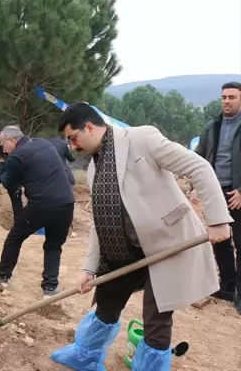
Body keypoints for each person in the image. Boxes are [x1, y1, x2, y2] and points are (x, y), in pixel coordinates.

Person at [50, 102, 231, 371]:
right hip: (122, 251)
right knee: (106, 303)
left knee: (156, 319)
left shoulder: (141, 138)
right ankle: (86, 355)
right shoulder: (92, 170)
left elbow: (199, 167)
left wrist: (216, 219)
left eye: (73, 138)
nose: (73, 147)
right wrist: (89, 267)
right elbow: (100, 224)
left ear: (89, 127)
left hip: (167, 245)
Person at [0, 126, 75, 297]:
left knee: (15, 237)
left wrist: (0, 163)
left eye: (3, 144)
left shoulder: (16, 157)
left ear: (10, 140)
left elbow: (9, 183)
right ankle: (50, 287)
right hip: (67, 202)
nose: (3, 148)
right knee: (53, 245)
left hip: (42, 204)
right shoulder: (43, 143)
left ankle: (2, 276)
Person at [195, 81, 241, 313]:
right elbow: (199, 157)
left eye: (232, 97)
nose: (227, 101)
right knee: (220, 241)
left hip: (238, 193)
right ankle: (227, 287)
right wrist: (196, 185)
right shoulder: (213, 126)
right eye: (224, 97)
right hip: (215, 192)